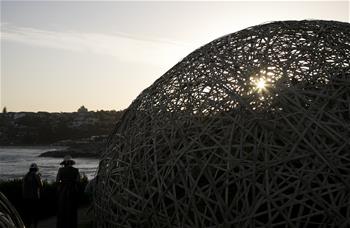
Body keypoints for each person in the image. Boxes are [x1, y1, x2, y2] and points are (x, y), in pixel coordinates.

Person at [56, 155, 80, 228]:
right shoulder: (76, 170)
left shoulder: (60, 170)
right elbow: (78, 181)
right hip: (73, 191)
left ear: (64, 163)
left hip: (63, 191)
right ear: (71, 163)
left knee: (62, 210)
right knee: (73, 210)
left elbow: (57, 181)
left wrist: (62, 183)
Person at [22, 163, 43, 228]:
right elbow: (41, 185)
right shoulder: (36, 175)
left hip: (26, 198)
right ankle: (35, 226)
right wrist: (40, 177)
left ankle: (27, 226)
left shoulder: (25, 176)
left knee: (27, 214)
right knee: (35, 213)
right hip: (34, 197)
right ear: (36, 169)